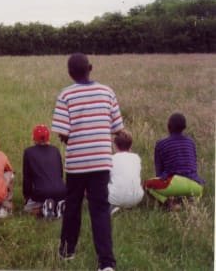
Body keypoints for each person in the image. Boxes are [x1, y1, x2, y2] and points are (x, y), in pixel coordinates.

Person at [51, 53, 124, 271]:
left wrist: (72, 136)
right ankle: (106, 263)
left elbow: (63, 133)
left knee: (72, 206)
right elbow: (117, 129)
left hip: (76, 163)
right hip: (102, 161)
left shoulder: (66, 95)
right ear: (90, 68)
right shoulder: (107, 92)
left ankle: (67, 251)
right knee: (100, 210)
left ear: (69, 73)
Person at [143, 113, 204, 210]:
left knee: (147, 185)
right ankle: (190, 203)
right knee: (195, 192)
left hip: (174, 183)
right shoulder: (191, 142)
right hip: (197, 185)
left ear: (168, 126)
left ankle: (170, 204)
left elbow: (159, 172)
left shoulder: (161, 144)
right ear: (184, 127)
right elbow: (194, 165)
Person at [22, 124, 66, 219]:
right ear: (48, 138)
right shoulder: (55, 150)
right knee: (56, 197)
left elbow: (27, 178)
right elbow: (60, 173)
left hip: (42, 192)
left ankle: (45, 208)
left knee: (27, 209)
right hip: (62, 190)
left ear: (34, 138)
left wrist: (27, 196)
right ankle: (59, 205)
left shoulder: (28, 152)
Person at [108, 129, 144, 214]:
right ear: (130, 145)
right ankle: (128, 207)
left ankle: (111, 207)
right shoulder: (137, 158)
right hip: (137, 198)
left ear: (115, 145)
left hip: (115, 197)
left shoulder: (112, 159)